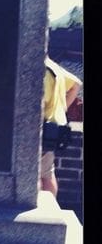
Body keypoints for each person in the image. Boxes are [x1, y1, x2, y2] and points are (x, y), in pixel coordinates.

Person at [40, 55, 82, 197]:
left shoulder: (41, 71)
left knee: (34, 173)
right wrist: (62, 109)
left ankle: (38, 207)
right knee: (47, 172)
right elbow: (76, 84)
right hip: (53, 127)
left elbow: (39, 102)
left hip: (41, 127)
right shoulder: (54, 67)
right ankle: (51, 206)